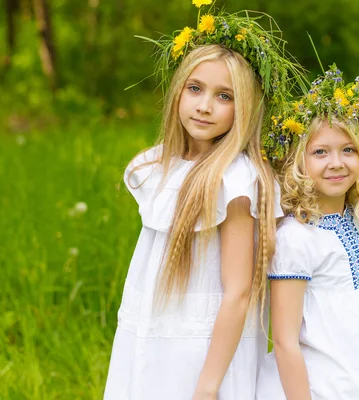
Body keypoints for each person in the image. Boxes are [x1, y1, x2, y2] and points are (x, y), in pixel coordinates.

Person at [104, 3, 306, 399]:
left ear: (244, 107)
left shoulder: (235, 179)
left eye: (224, 96)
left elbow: (239, 292)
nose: (204, 105)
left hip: (203, 348)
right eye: (195, 88)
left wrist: (209, 385)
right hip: (153, 331)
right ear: (178, 90)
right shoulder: (158, 165)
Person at [256, 65, 359, 400]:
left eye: (348, 150)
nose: (336, 162)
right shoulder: (296, 238)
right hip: (320, 381)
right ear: (298, 162)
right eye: (320, 152)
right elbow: (284, 339)